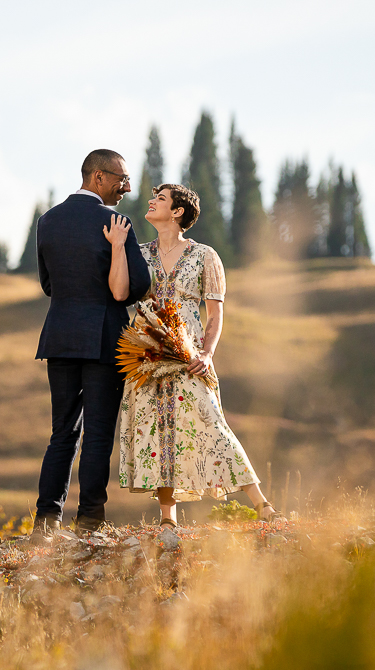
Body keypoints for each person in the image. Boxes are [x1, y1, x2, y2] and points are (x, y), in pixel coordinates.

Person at [116, 183, 279, 525]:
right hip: (147, 355)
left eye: (159, 199)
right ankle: (167, 519)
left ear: (177, 212)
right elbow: (121, 294)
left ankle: (262, 504)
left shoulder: (205, 256)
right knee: (156, 431)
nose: (151, 201)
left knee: (212, 424)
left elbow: (215, 314)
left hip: (189, 355)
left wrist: (206, 353)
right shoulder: (140, 253)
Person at [31, 149, 151, 539]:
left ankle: (46, 520)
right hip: (104, 338)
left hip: (60, 336)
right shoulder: (114, 221)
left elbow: (48, 285)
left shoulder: (47, 221)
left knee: (62, 432)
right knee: (98, 432)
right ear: (98, 177)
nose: (127, 187)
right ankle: (89, 521)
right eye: (121, 178)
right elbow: (136, 287)